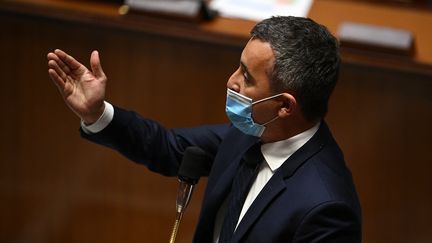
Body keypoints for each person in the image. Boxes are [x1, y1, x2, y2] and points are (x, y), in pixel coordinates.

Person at [47, 16, 361, 243]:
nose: (231, 81)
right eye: (239, 66)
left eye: (247, 77)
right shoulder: (253, 132)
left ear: (284, 106)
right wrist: (97, 112)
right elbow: (170, 147)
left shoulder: (327, 208)